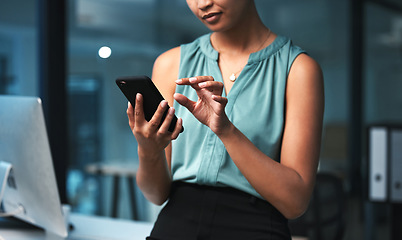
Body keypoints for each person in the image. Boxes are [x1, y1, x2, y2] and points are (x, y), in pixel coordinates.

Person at [126, 0, 324, 239]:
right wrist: (148, 150)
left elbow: (295, 203)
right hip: (175, 226)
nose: (202, 3)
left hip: (256, 228)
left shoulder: (298, 69)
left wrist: (227, 131)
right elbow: (155, 194)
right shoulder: (170, 64)